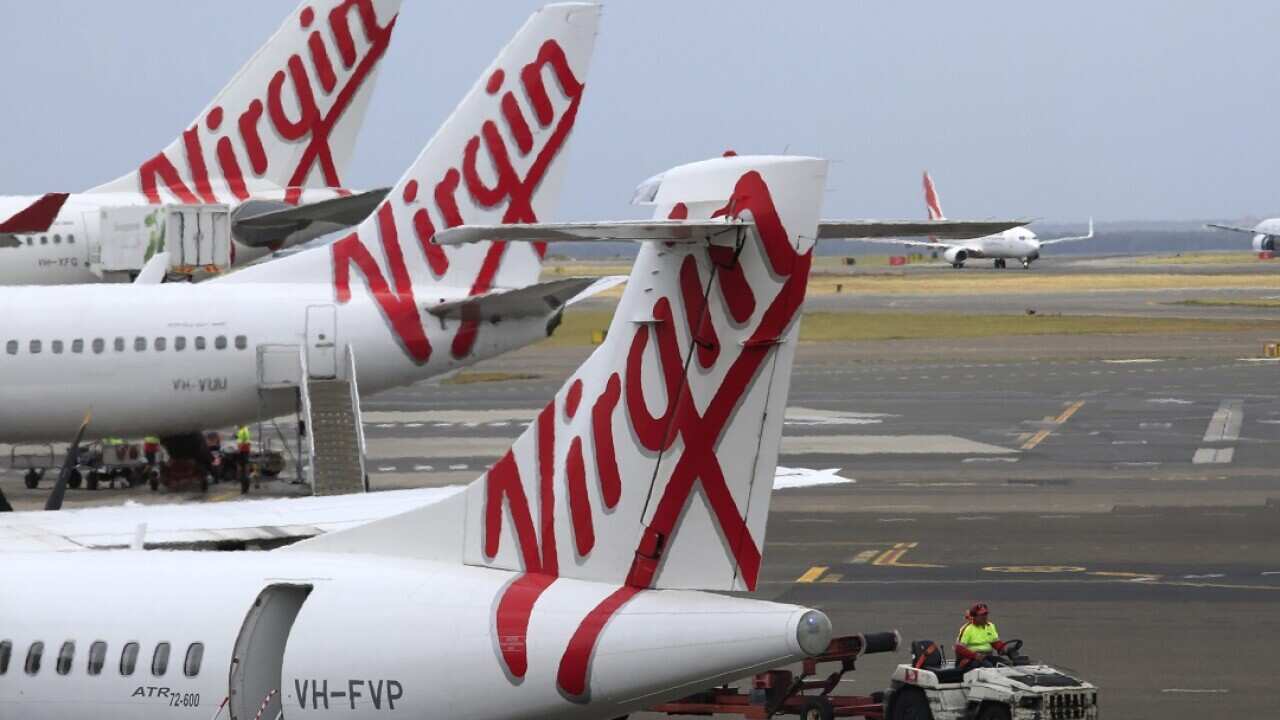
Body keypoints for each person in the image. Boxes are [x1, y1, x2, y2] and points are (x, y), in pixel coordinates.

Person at [954, 602, 1007, 670]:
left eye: (986, 614)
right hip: (971, 658)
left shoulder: (990, 626)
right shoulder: (967, 629)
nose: (985, 616)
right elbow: (959, 648)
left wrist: (1002, 649)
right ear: (974, 616)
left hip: (986, 656)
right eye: (982, 615)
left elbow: (995, 642)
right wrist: (975, 655)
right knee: (988, 666)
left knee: (1005, 663)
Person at [234, 425, 252, 494]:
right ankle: (245, 489)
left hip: (243, 452)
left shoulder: (243, 431)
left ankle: (244, 489)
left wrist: (239, 449)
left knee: (243, 472)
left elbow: (243, 441)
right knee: (244, 472)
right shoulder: (244, 430)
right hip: (245, 452)